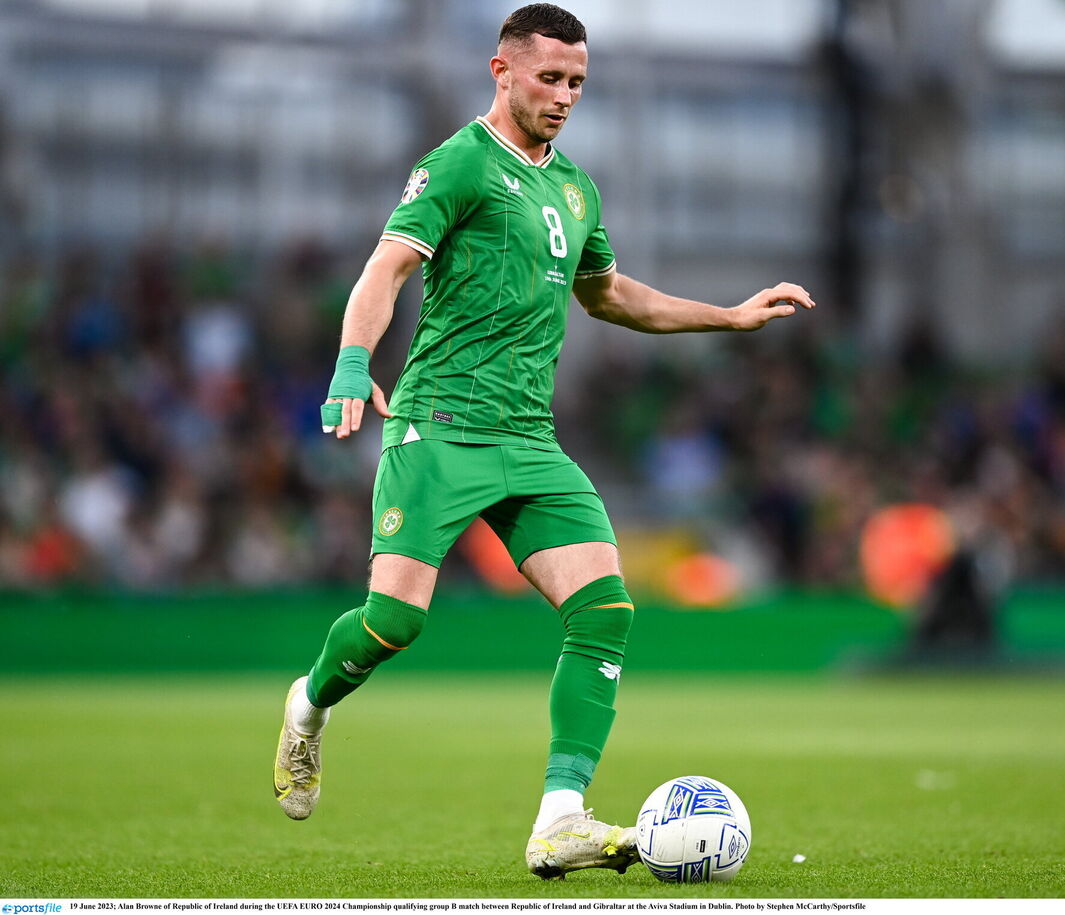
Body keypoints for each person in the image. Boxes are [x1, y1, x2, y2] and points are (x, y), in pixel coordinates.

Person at [272, 2, 815, 880]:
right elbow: (387, 267)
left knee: (605, 608)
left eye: (578, 84)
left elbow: (609, 296)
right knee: (396, 621)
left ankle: (561, 816)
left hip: (527, 439)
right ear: (502, 70)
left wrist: (730, 315)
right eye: (550, 78)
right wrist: (348, 364)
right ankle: (308, 702)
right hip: (439, 427)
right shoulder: (458, 163)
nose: (565, 97)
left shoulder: (576, 187)